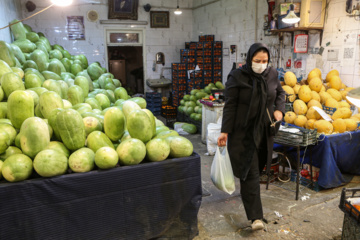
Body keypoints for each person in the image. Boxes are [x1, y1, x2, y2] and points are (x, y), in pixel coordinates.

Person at [217, 43, 285, 231]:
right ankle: (256, 217)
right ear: (249, 59)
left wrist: (280, 109)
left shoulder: (271, 74)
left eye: (265, 61)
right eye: (257, 61)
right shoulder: (237, 77)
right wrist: (224, 131)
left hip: (265, 131)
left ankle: (255, 213)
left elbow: (280, 92)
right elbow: (230, 105)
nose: (261, 64)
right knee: (250, 172)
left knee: (259, 167)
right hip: (243, 133)